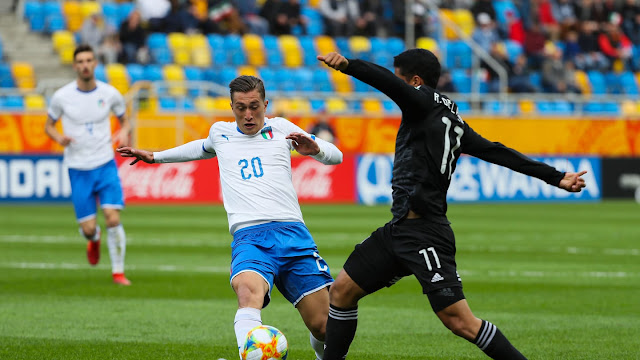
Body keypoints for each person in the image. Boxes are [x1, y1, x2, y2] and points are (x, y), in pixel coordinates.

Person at [317, 50, 588, 360]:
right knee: (341, 292)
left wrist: (349, 66)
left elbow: (388, 83)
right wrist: (555, 177)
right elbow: (497, 151)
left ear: (416, 82)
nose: (402, 87)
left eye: (404, 79)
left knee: (461, 322)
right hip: (399, 230)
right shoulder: (453, 119)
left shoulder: (421, 103)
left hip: (425, 234)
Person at [117, 75, 343, 360]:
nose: (248, 115)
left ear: (265, 104)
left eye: (254, 106)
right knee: (248, 293)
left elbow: (337, 157)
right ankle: (248, 355)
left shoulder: (282, 128)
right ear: (231, 106)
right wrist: (155, 156)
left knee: (325, 327)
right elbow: (199, 148)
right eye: (240, 108)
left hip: (292, 234)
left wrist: (317, 149)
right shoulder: (220, 133)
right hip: (250, 238)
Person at [44, 45, 132, 286]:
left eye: (89, 60)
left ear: (95, 64)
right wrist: (58, 138)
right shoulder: (62, 96)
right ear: (75, 66)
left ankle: (118, 272)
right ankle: (93, 238)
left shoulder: (110, 93)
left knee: (113, 218)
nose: (84, 65)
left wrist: (124, 133)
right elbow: (48, 125)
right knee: (88, 228)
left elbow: (125, 120)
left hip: (105, 164)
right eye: (80, 61)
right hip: (78, 168)